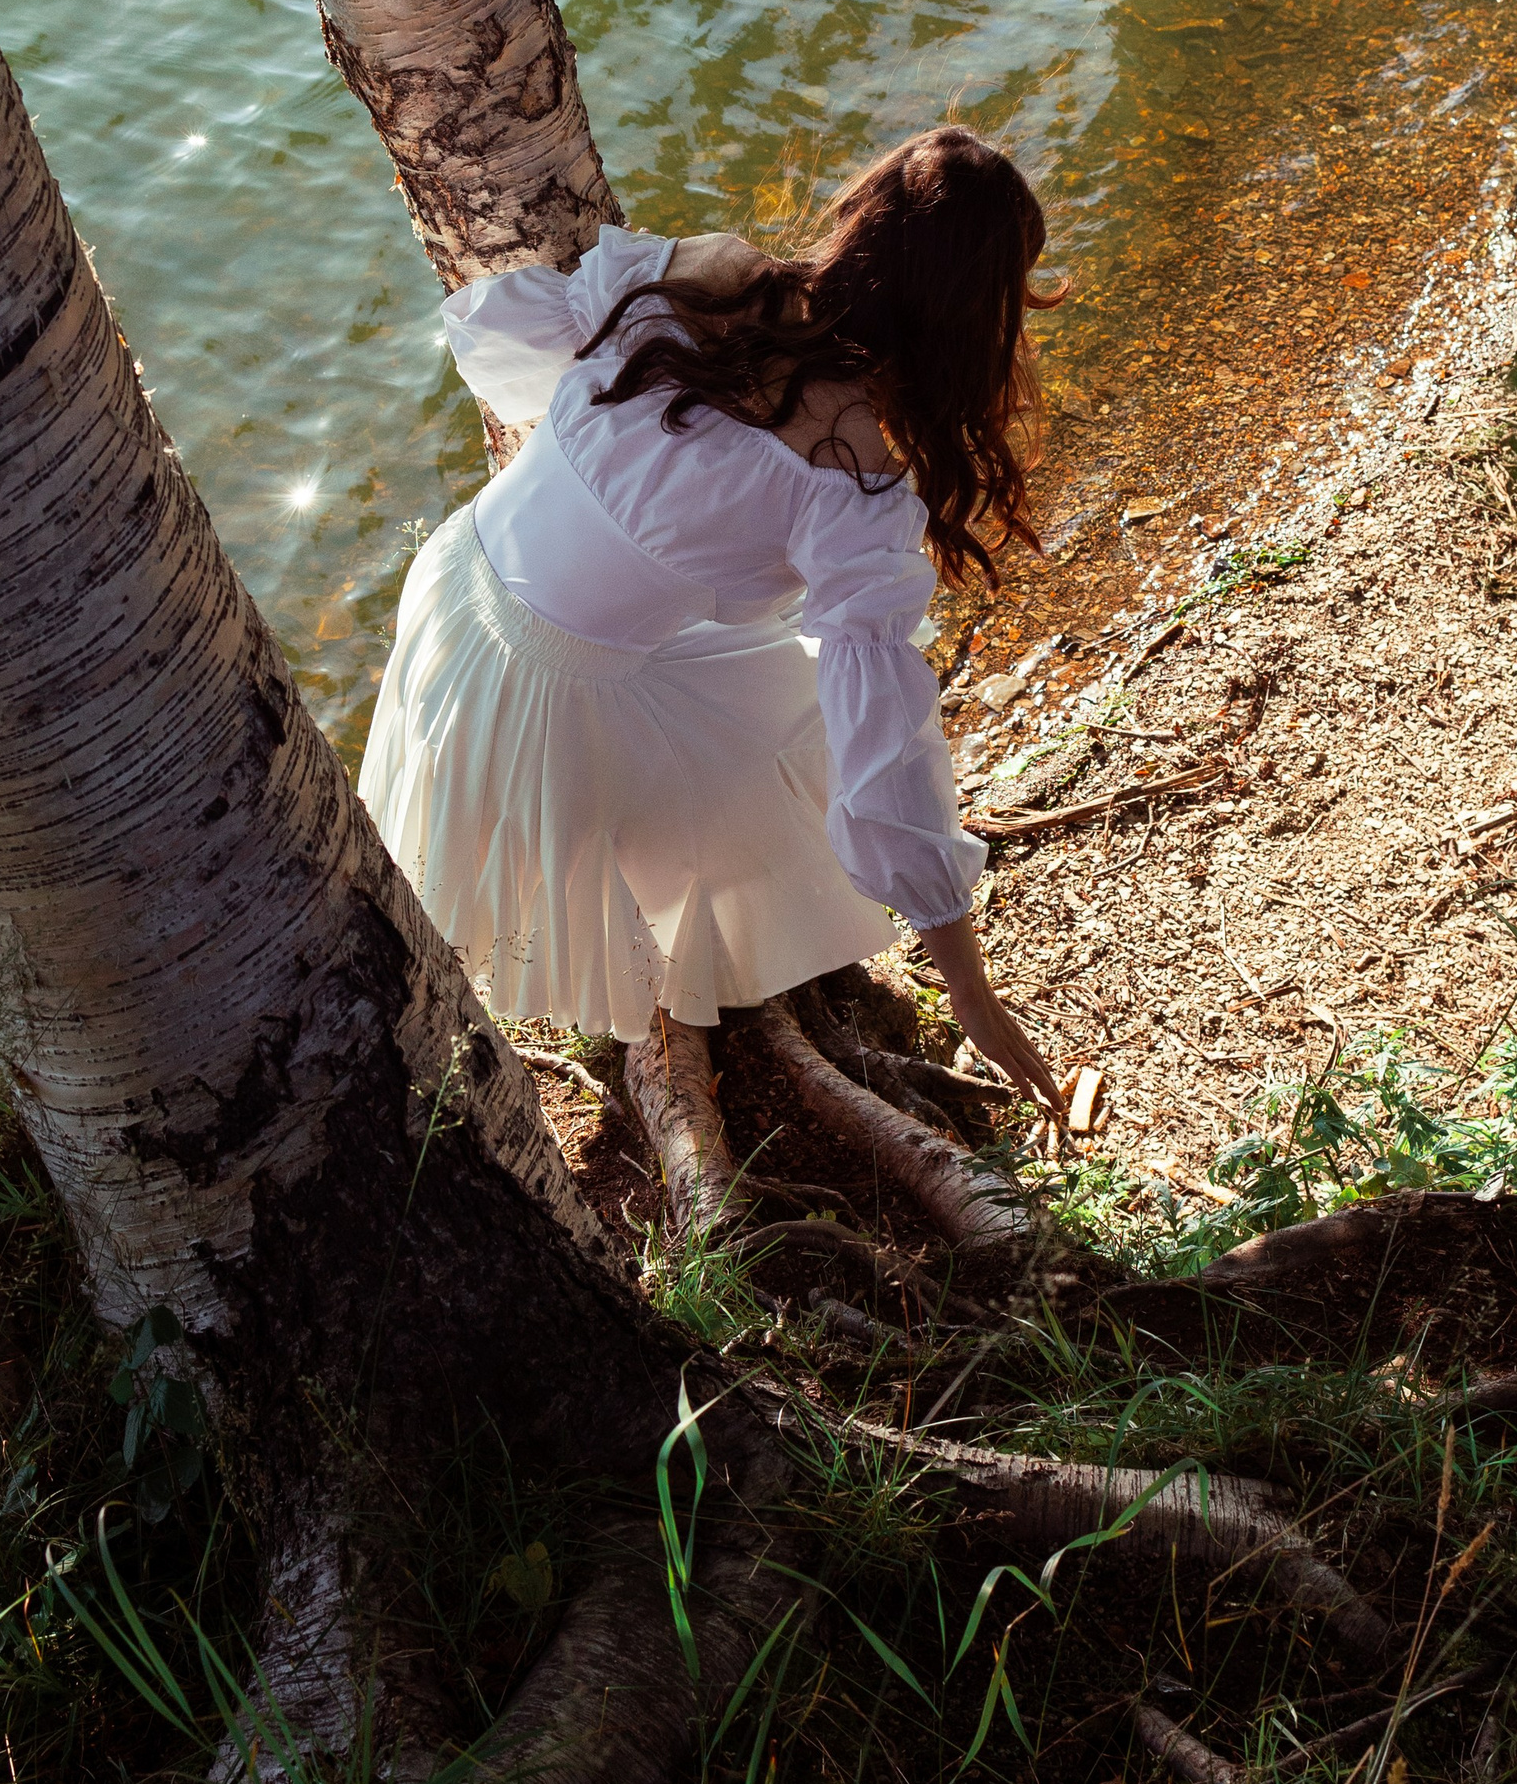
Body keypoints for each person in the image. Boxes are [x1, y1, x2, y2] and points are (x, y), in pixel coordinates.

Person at [356, 125, 1067, 1119]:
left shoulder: (704, 283)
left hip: (454, 590)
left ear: (859, 229)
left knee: (778, 680)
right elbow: (887, 755)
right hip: (541, 706)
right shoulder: (845, 479)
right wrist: (969, 986)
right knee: (811, 727)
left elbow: (502, 348)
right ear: (968, 322)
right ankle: (697, 961)